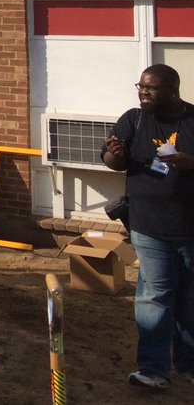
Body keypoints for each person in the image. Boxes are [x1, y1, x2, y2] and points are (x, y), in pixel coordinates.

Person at [102, 63, 194, 390]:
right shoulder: (134, 119)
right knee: (155, 296)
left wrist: (188, 163)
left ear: (172, 90)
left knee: (188, 299)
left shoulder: (192, 120)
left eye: (151, 87)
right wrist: (115, 154)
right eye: (140, 86)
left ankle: (188, 364)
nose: (143, 92)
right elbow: (115, 163)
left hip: (189, 228)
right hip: (148, 225)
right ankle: (153, 370)